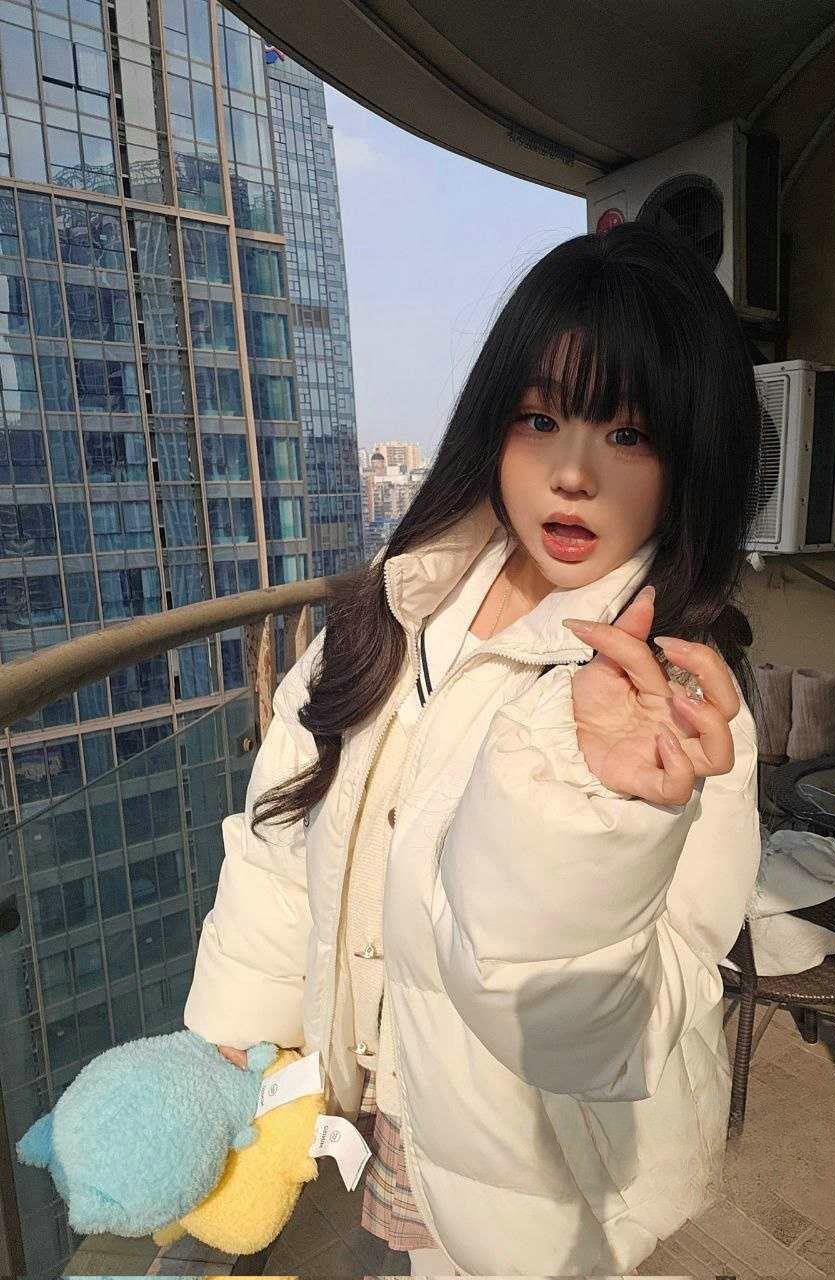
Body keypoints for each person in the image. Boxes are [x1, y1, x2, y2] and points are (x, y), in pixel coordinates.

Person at [183, 220, 762, 1276]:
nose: (571, 472)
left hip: (534, 1151)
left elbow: (636, 1010)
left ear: (693, 462)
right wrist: (241, 1027)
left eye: (629, 434)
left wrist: (590, 822)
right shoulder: (395, 602)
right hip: (389, 1088)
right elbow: (283, 838)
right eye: (540, 418)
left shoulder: (670, 710)